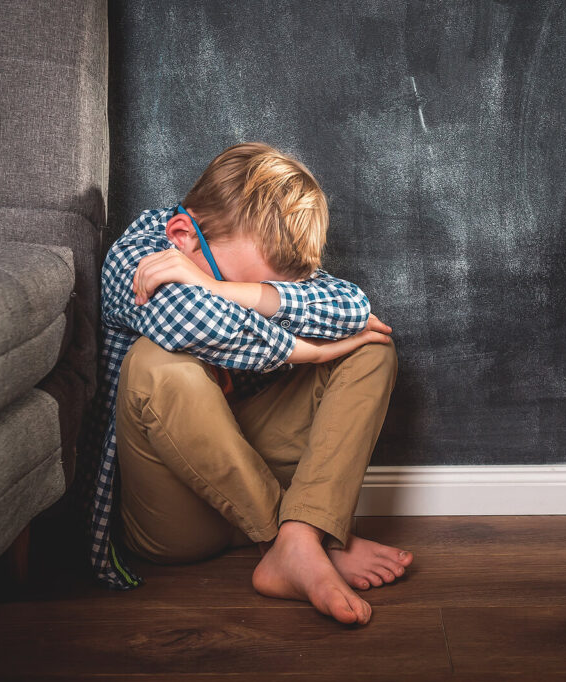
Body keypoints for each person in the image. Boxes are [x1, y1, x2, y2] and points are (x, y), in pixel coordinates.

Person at [79, 141, 413, 625]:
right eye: (225, 279)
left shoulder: (245, 251)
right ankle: (288, 542)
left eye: (264, 288)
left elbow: (353, 308)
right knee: (155, 362)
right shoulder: (138, 255)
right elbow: (190, 320)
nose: (237, 296)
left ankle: (300, 538)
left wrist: (222, 287)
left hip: (258, 461)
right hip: (178, 512)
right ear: (182, 235)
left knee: (370, 348)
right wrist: (307, 350)